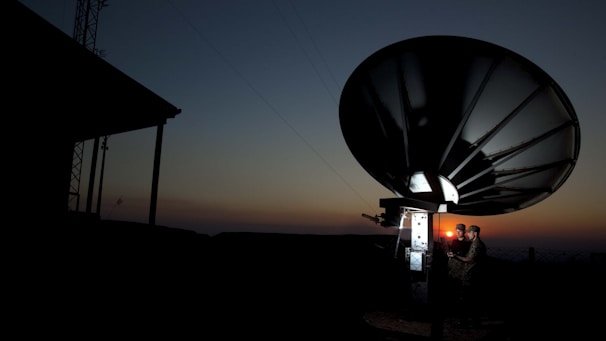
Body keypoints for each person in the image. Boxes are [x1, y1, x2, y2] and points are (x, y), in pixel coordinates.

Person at [447, 224, 487, 328]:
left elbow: (470, 259)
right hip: (471, 274)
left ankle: (466, 322)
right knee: (470, 299)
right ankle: (473, 321)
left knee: (467, 299)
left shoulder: (476, 245)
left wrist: (455, 256)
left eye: (469, 232)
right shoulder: (475, 244)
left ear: (475, 233)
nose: (467, 234)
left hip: (472, 275)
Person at [446, 224, 471, 307]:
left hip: (462, 268)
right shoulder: (454, 241)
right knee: (453, 288)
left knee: (462, 290)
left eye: (459, 231)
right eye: (456, 231)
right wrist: (449, 254)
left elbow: (467, 257)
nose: (458, 233)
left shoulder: (468, 243)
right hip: (453, 268)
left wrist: (457, 255)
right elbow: (452, 251)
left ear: (464, 232)